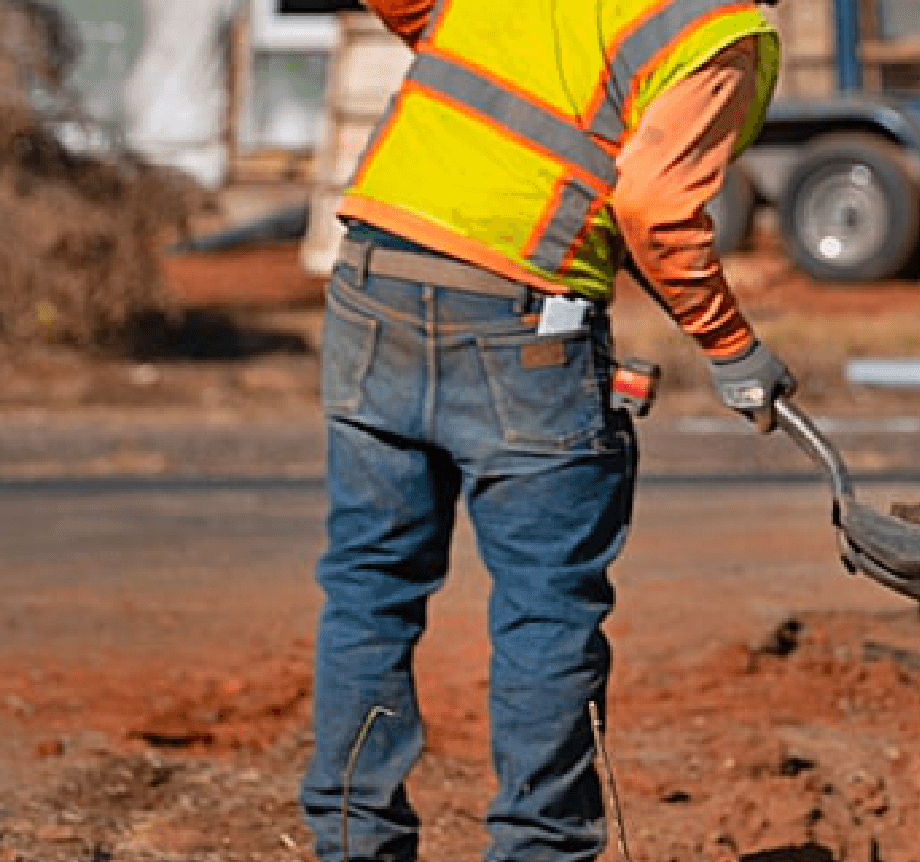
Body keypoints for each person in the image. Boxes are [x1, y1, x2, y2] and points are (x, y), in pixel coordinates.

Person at [298, 2, 790, 860]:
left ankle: (352, 843)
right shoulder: (717, 31)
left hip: (374, 280)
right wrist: (729, 344)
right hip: (521, 319)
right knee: (547, 612)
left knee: (370, 588)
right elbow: (656, 206)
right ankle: (538, 850)